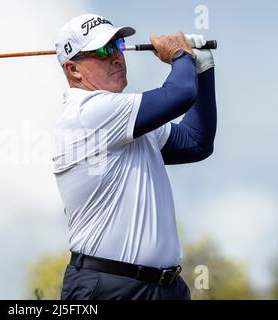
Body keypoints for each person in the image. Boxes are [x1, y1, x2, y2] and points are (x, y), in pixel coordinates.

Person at [52, 13, 216, 300]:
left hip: (165, 288)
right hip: (108, 287)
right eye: (103, 50)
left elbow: (195, 142)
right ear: (74, 70)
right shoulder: (87, 112)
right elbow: (179, 93)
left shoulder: (124, 118)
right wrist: (179, 54)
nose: (117, 56)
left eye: (119, 45)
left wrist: (202, 70)